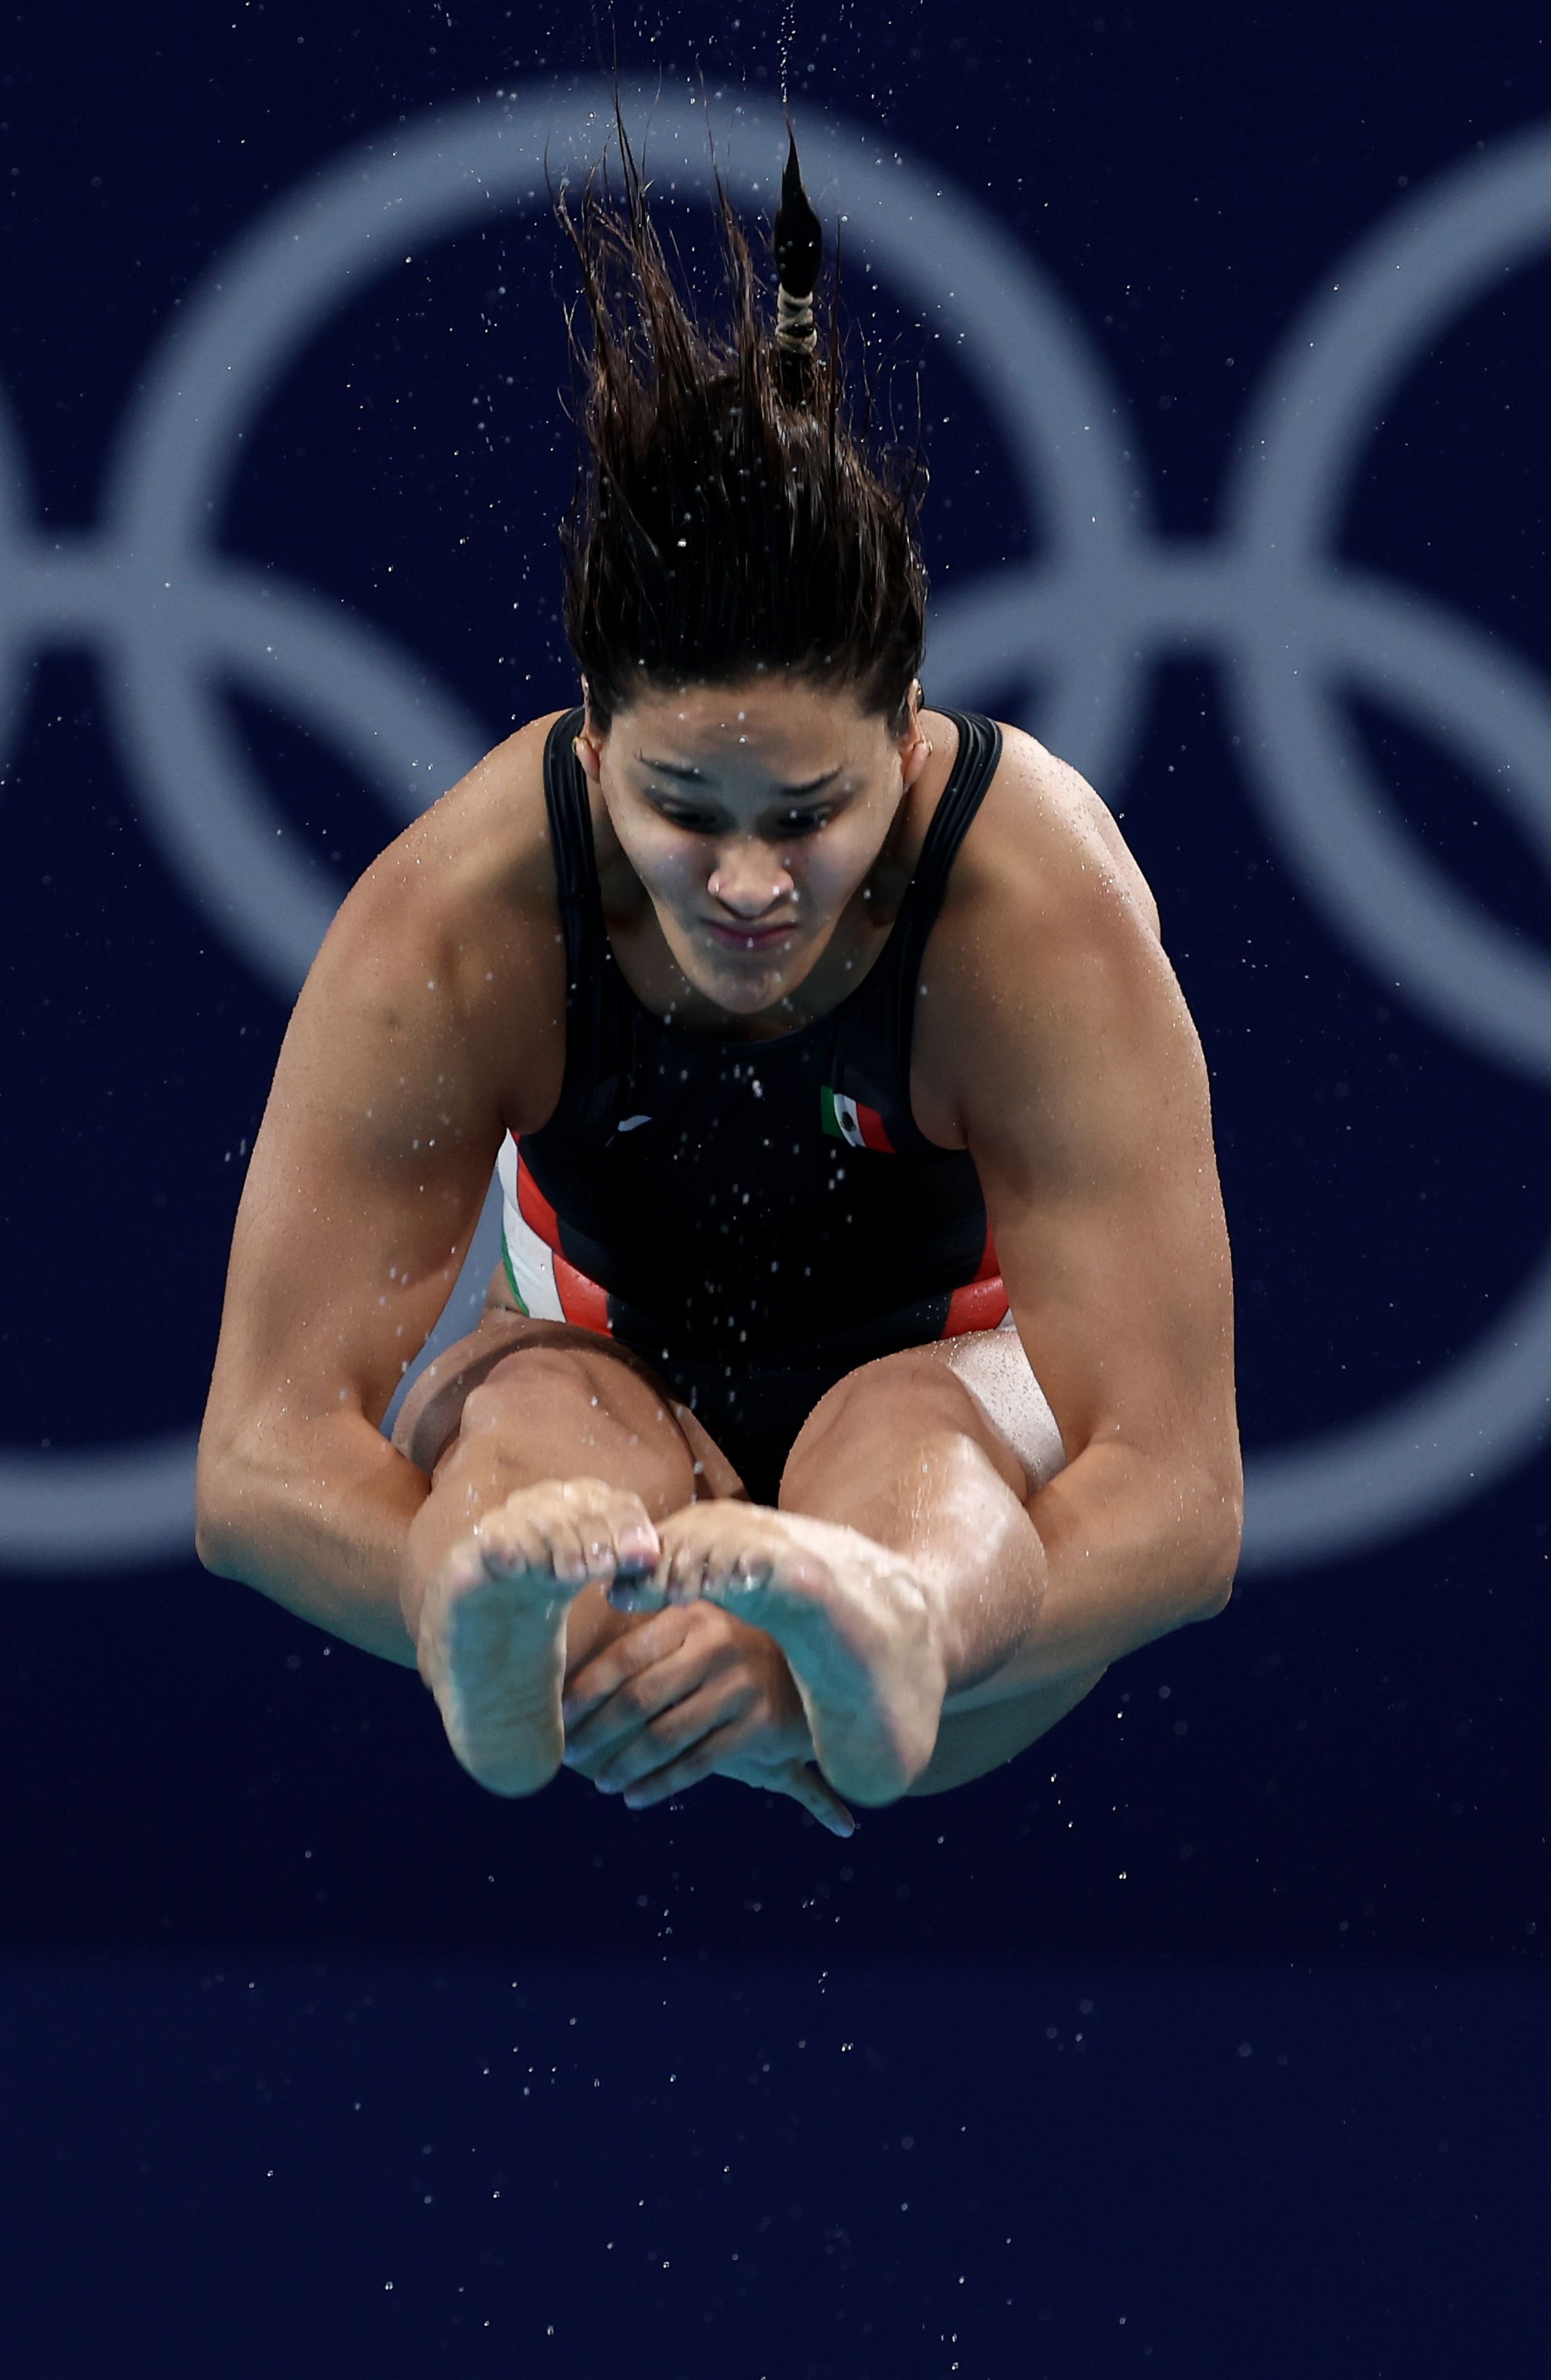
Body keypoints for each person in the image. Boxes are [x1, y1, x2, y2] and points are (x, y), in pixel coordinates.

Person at [194, 138, 1238, 1834]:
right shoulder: (468, 914)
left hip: (956, 1475)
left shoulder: (1026, 906)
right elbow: (254, 1466)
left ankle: (888, 1619)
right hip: (607, 1417)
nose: (750, 881)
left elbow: (1181, 1501)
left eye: (813, 813)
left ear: (906, 751)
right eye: (684, 810)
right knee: (531, 1411)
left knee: (905, 1430)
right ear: (594, 749)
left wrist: (809, 1653)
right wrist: (525, 1622)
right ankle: (492, 1627)